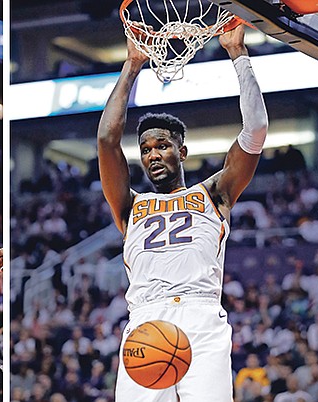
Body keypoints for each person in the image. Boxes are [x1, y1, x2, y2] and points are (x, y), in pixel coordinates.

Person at [97, 25, 268, 402]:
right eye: (145, 149)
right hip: (147, 319)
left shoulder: (214, 192)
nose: (153, 154)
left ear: (183, 153)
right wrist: (131, 65)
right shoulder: (129, 205)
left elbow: (254, 131)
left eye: (163, 146)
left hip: (201, 316)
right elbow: (108, 140)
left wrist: (238, 54)